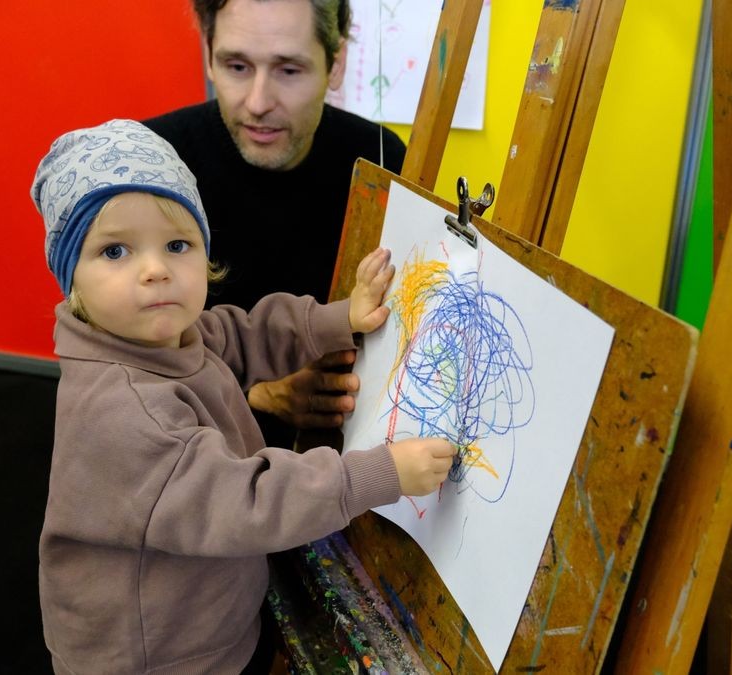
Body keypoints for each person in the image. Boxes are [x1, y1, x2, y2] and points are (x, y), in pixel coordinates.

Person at [31, 118, 455, 673]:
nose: (156, 270)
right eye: (115, 252)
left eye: (177, 244)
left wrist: (339, 318)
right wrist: (375, 475)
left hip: (205, 611)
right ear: (71, 278)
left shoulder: (163, 337)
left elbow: (239, 333)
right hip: (159, 656)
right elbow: (246, 501)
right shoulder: (124, 412)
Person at [144, 0, 407, 448]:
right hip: (190, 463)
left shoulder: (379, 158)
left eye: (288, 70)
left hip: (345, 466)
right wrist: (259, 394)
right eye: (237, 66)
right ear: (208, 55)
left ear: (336, 64)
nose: (259, 103)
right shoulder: (153, 162)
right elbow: (118, 359)